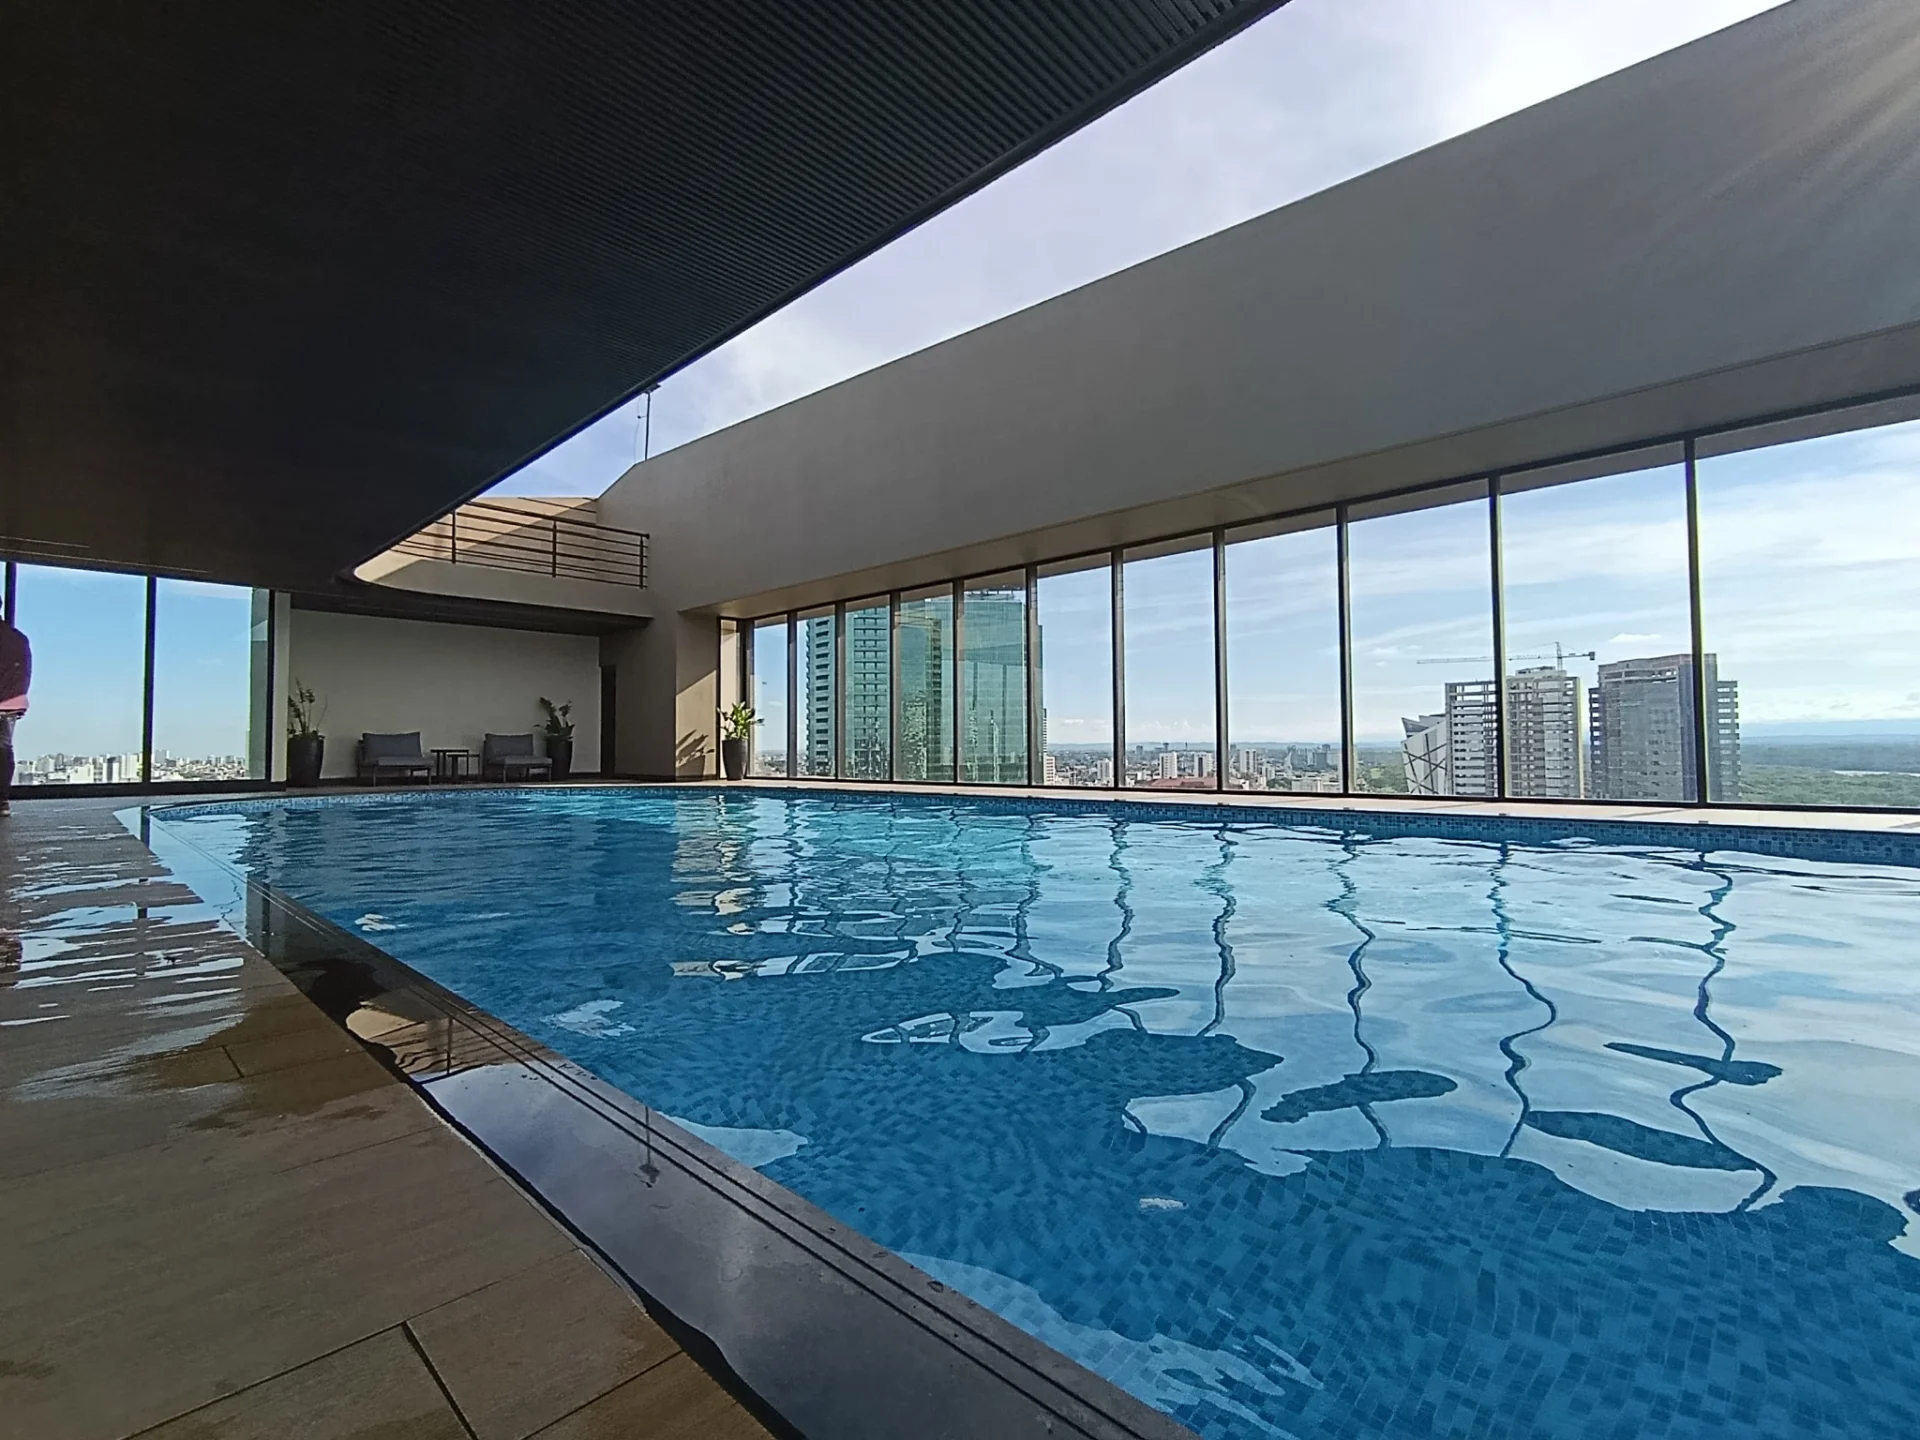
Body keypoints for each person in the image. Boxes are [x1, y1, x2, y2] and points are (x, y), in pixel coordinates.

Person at [0, 617, 29, 815]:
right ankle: (2, 801)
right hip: (10, 701)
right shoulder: (18, 638)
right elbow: (24, 672)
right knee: (3, 749)